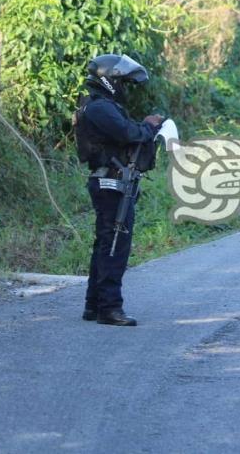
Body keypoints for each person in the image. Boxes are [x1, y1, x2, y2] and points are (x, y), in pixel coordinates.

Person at [79, 54, 164, 326]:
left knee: (106, 243)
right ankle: (110, 308)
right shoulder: (100, 108)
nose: (125, 88)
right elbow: (128, 133)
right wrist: (149, 126)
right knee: (115, 245)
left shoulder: (101, 106)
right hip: (110, 183)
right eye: (122, 82)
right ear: (110, 80)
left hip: (114, 182)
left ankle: (94, 305)